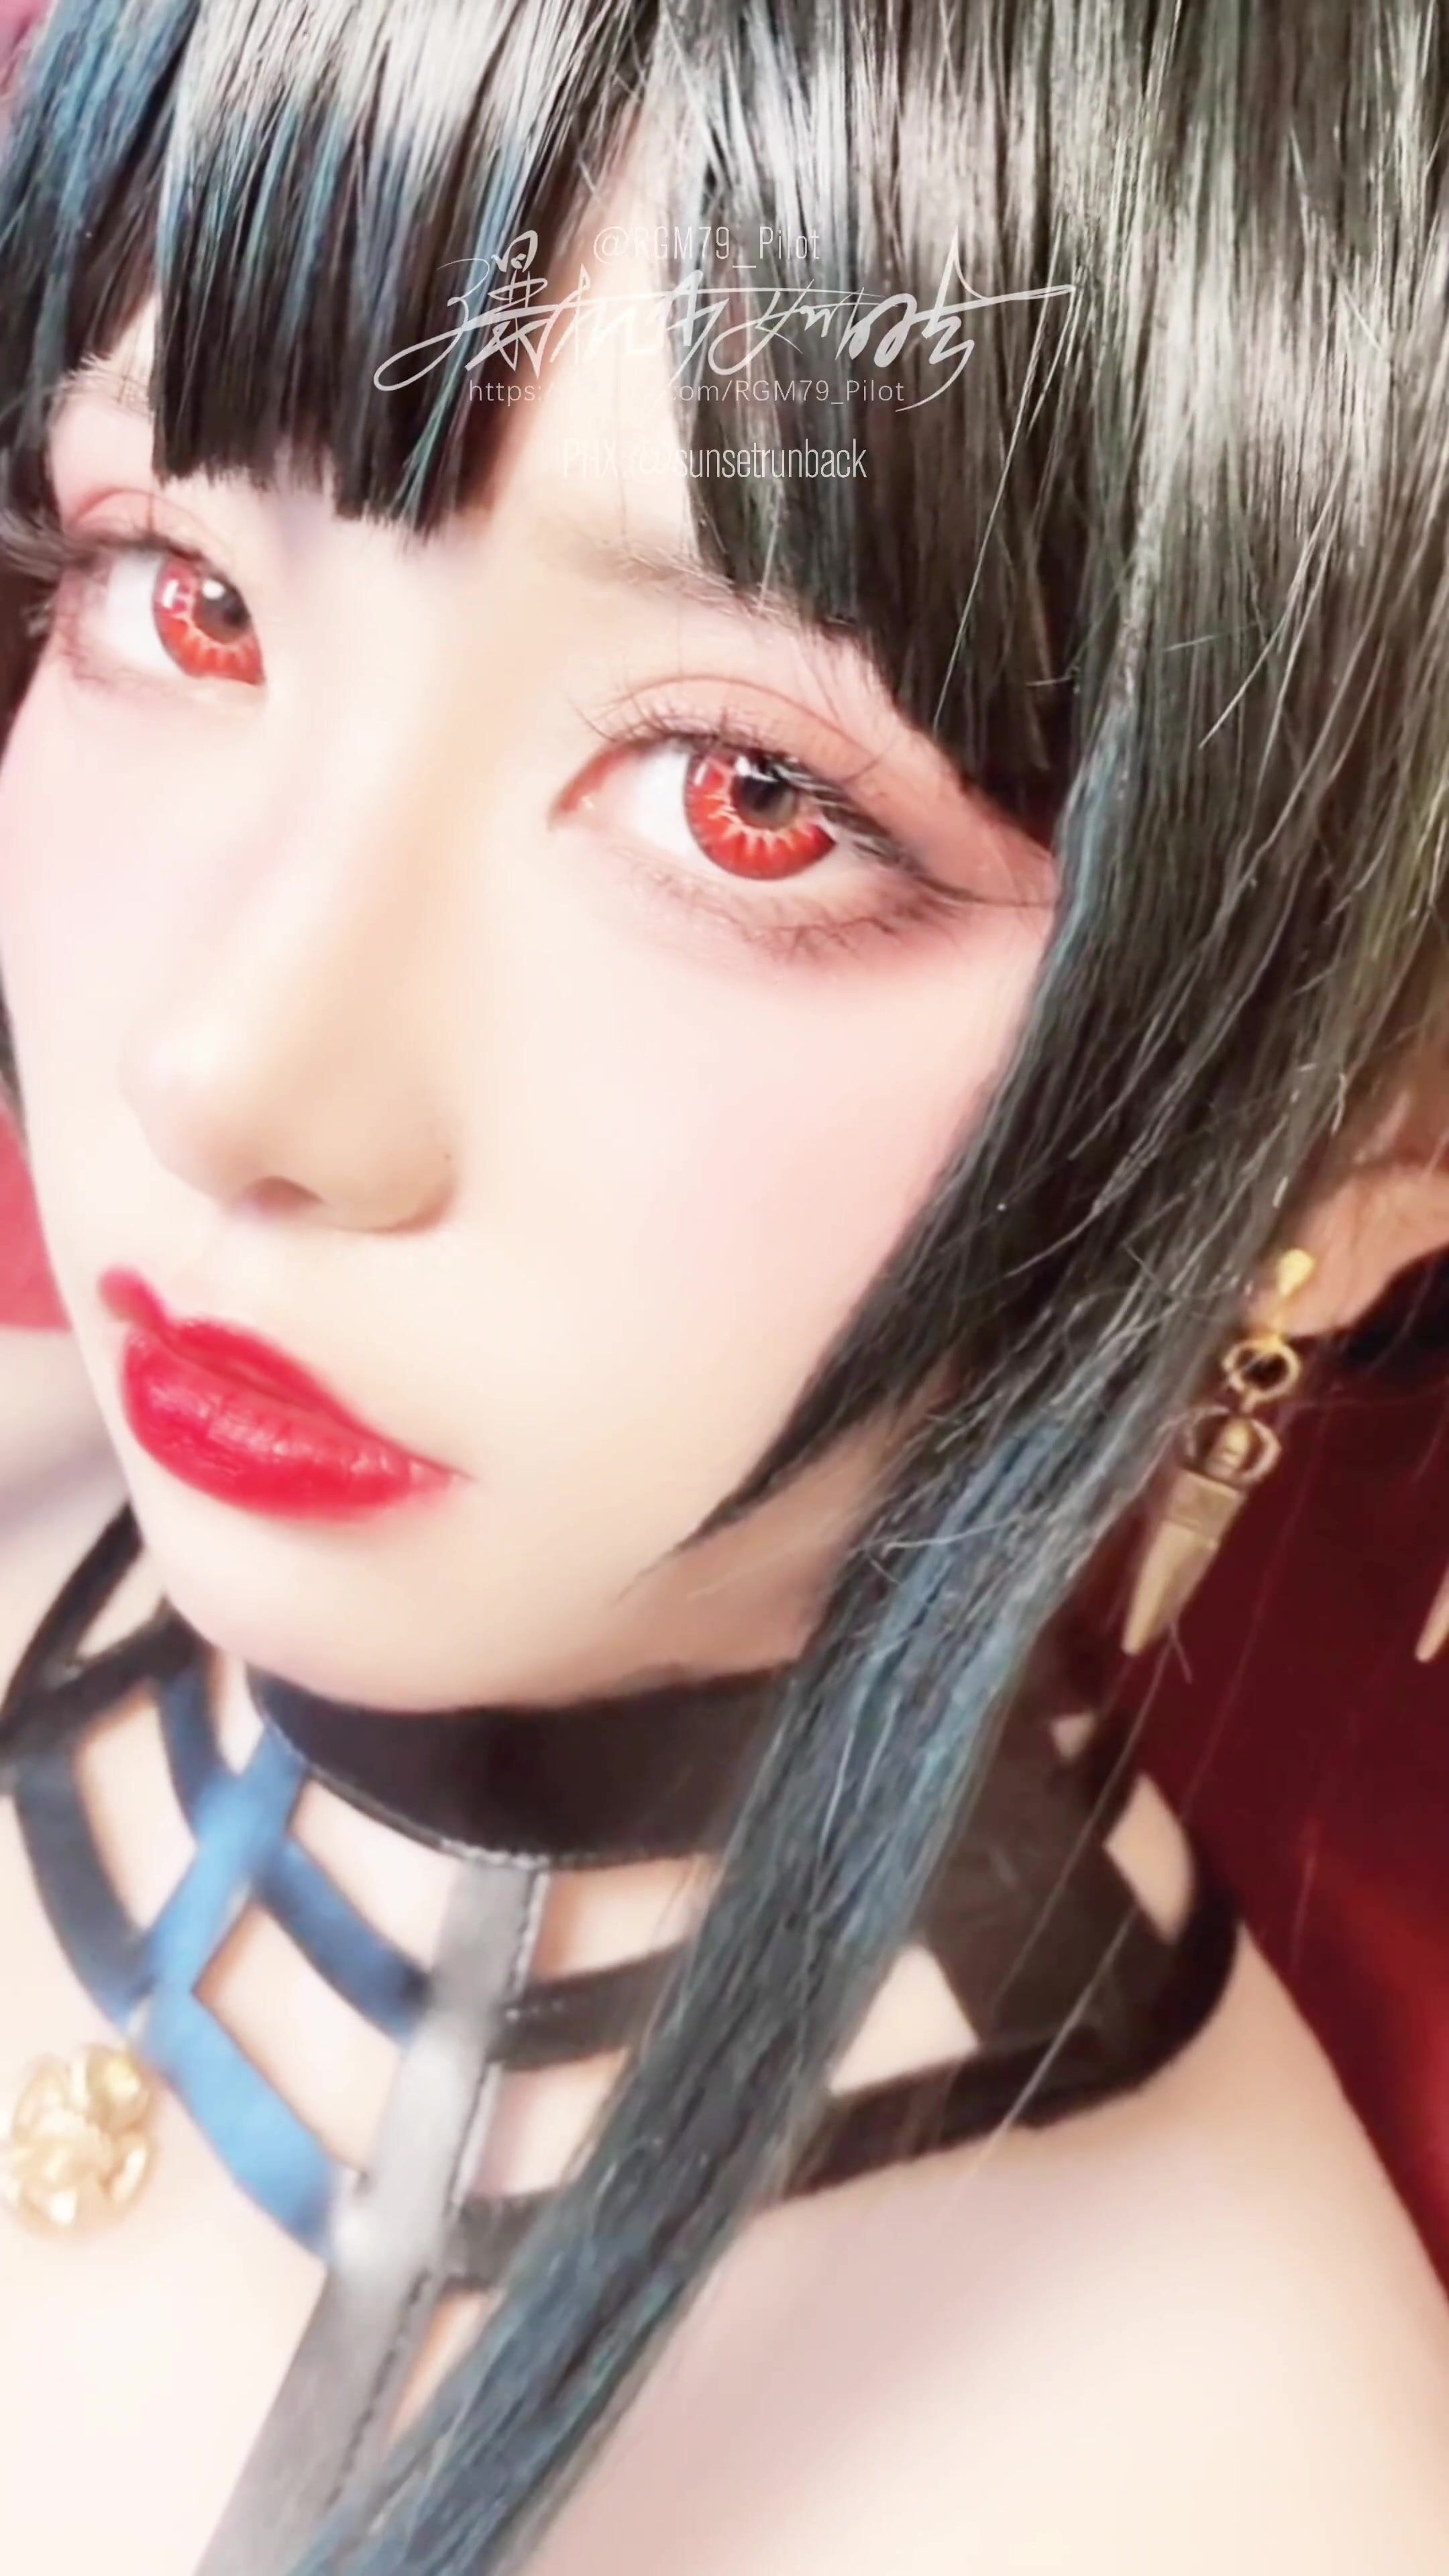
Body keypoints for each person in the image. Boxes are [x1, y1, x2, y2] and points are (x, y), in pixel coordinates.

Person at [1, 1, 1449, 2570]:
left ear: (1355, 1153)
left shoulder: (1217, 2475)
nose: (232, 1076)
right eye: (188, 599)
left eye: (751, 798)